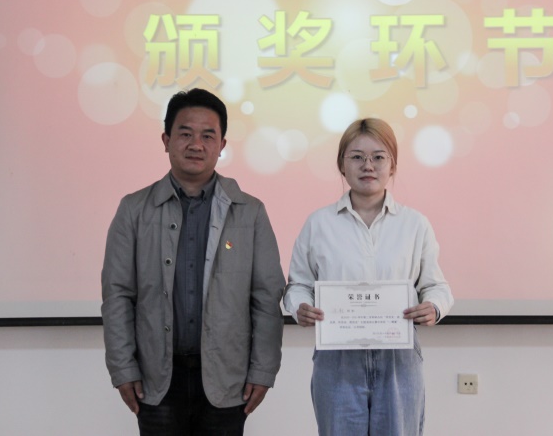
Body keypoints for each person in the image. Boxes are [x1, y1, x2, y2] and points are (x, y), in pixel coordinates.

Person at [101, 88, 285, 435]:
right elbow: (117, 295)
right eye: (185, 134)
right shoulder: (134, 210)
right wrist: (122, 368)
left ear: (222, 145)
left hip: (227, 377)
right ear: (166, 140)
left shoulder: (250, 212)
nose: (196, 145)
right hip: (157, 379)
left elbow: (266, 297)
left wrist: (264, 370)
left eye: (207, 136)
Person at [283, 118, 453, 436]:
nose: (368, 166)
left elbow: (436, 286)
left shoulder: (415, 224)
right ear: (342, 165)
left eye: (378, 157)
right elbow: (298, 285)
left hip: (398, 359)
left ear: (393, 165)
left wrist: (433, 306)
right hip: (337, 358)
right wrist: (299, 307)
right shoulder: (319, 224)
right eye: (357, 157)